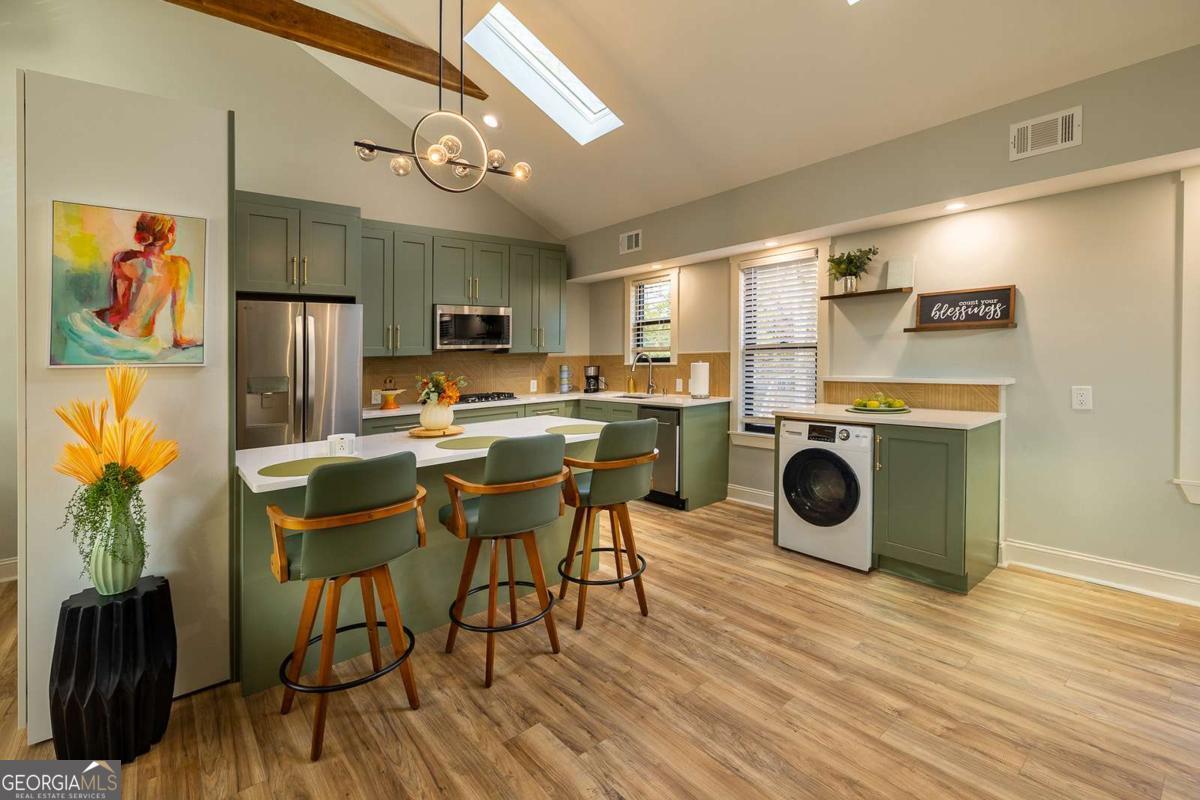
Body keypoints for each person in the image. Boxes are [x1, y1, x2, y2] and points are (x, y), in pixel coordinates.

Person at [95, 212, 199, 349]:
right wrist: (178, 338)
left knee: (80, 319)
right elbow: (178, 308)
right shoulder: (180, 266)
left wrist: (94, 316)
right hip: (145, 345)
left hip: (117, 337)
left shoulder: (124, 259)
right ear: (169, 235)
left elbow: (119, 312)